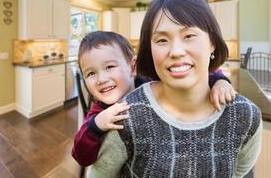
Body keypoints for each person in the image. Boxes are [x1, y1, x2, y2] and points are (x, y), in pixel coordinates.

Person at [87, 0, 262, 178]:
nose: (176, 51)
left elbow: (241, 172)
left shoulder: (246, 117)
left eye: (189, 36)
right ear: (150, 50)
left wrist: (221, 81)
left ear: (212, 42)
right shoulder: (127, 116)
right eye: (162, 40)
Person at [72, 31, 236, 167]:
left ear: (133, 66)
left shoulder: (152, 83)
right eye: (91, 73)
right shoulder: (98, 113)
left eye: (109, 67)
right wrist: (96, 126)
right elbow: (81, 157)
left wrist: (220, 81)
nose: (101, 79)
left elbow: (195, 73)